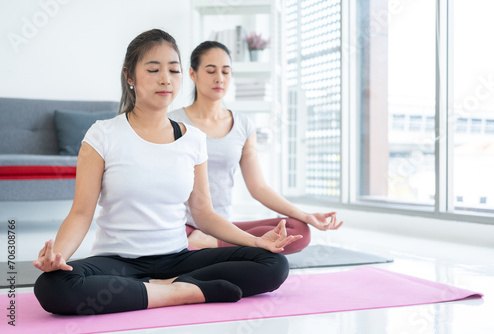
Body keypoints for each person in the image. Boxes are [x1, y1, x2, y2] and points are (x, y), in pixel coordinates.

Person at [32, 29, 302, 316]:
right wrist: (57, 257)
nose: (166, 79)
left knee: (274, 264)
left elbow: (204, 214)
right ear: (130, 77)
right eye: (153, 69)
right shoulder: (102, 135)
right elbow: (81, 213)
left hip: (178, 259)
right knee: (53, 285)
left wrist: (257, 241)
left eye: (174, 70)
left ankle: (164, 287)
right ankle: (182, 291)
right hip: (118, 263)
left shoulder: (194, 139)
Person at [168, 41, 343, 255]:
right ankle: (224, 247)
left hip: (223, 227)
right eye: (211, 70)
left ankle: (213, 245)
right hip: (183, 225)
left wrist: (305, 215)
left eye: (226, 71)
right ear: (193, 74)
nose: (219, 78)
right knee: (170, 235)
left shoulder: (243, 125)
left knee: (299, 230)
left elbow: (258, 187)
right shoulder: (172, 121)